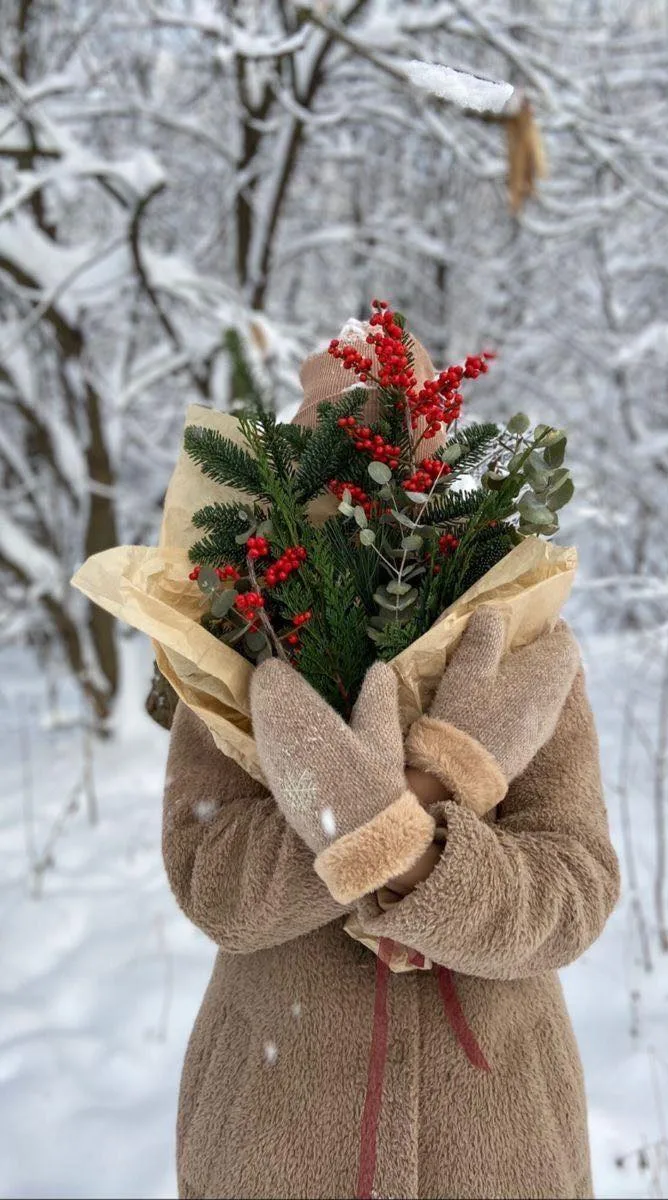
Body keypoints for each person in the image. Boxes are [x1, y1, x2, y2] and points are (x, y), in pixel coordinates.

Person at [162, 328, 620, 1200]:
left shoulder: (516, 647)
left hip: (499, 1144)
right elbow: (210, 878)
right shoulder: (238, 645)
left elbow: (573, 890)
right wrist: (370, 815)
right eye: (332, 481)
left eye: (385, 478)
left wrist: (416, 857)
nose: (364, 516)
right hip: (272, 1137)